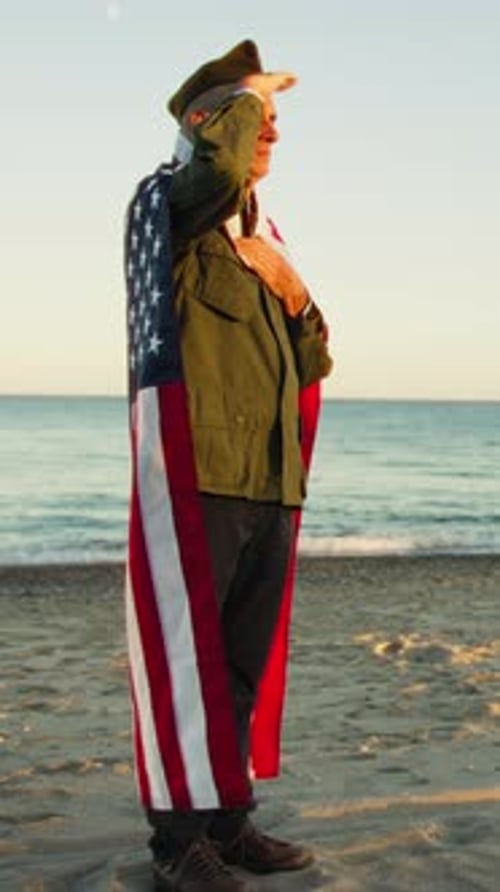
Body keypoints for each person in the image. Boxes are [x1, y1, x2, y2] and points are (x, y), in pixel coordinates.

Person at [125, 39, 333, 892]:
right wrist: (244, 88)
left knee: (241, 664)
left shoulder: (261, 237)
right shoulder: (172, 208)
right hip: (199, 474)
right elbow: (216, 167)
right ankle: (179, 846)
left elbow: (313, 362)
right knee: (190, 661)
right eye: (259, 121)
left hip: (268, 481)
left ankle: (228, 823)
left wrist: (293, 292)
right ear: (211, 124)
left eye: (274, 123)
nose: (271, 135)